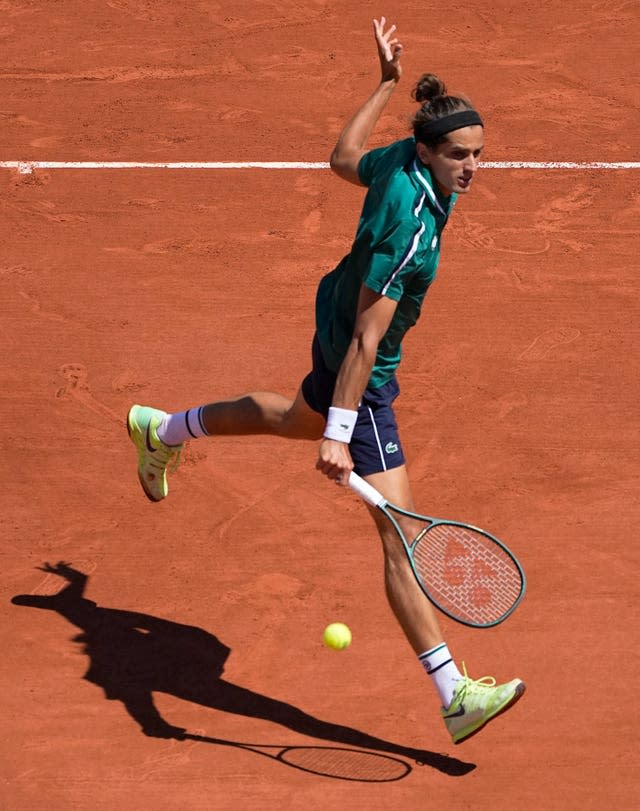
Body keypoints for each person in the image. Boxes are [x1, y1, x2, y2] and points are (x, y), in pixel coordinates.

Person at [126, 17, 525, 745]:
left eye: (479, 154)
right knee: (399, 532)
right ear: (432, 152)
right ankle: (454, 693)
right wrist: (345, 432)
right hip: (360, 363)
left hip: (332, 315)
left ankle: (162, 429)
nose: (472, 167)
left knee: (292, 419)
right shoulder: (412, 230)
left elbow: (343, 159)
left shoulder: (403, 160)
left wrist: (383, 85)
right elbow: (372, 339)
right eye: (460, 156)